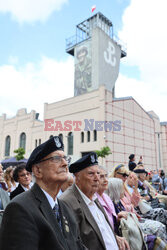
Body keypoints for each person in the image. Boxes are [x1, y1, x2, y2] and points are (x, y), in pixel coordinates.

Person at [0, 136, 87, 250]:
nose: (65, 163)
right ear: (37, 170)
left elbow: (78, 245)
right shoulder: (19, 208)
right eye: (56, 158)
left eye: (65, 158)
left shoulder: (64, 207)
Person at [60, 152, 129, 250]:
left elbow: (102, 229)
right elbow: (73, 243)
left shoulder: (93, 196)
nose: (97, 178)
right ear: (77, 177)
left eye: (98, 173)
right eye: (91, 174)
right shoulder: (67, 202)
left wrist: (115, 237)